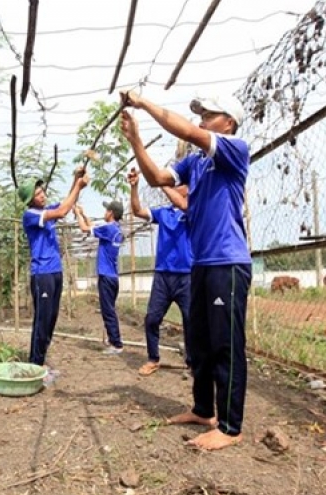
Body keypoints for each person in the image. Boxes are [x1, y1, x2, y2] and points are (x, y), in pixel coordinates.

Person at [119, 90, 252, 452]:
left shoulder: (235, 149)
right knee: (200, 344)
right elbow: (157, 179)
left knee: (226, 345)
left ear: (229, 122)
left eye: (210, 114)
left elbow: (191, 134)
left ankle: (230, 426)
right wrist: (135, 140)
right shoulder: (195, 164)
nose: (202, 119)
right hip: (202, 264)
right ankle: (203, 410)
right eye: (201, 113)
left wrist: (144, 103)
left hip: (228, 263)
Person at [17, 167, 89, 380]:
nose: (43, 195)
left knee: (51, 320)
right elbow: (62, 212)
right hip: (42, 275)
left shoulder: (44, 212)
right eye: (38, 194)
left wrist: (75, 180)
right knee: (42, 320)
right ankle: (36, 367)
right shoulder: (31, 215)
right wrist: (78, 185)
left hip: (55, 272)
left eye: (42, 192)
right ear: (31, 199)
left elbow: (67, 203)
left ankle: (41, 364)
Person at [126, 168, 193, 376]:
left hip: (187, 276)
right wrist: (135, 187)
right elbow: (137, 211)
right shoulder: (164, 213)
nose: (177, 187)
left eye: (181, 184)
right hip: (163, 276)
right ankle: (153, 359)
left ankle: (193, 363)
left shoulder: (194, 208)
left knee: (191, 321)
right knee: (152, 319)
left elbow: (185, 204)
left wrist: (161, 183)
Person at [74, 200, 125, 354]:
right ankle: (114, 341)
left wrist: (77, 215)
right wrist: (83, 214)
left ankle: (116, 344)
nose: (105, 212)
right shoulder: (115, 229)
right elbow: (92, 228)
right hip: (113, 277)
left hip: (106, 276)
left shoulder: (108, 228)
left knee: (108, 311)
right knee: (109, 309)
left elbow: (84, 229)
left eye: (106, 210)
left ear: (110, 213)